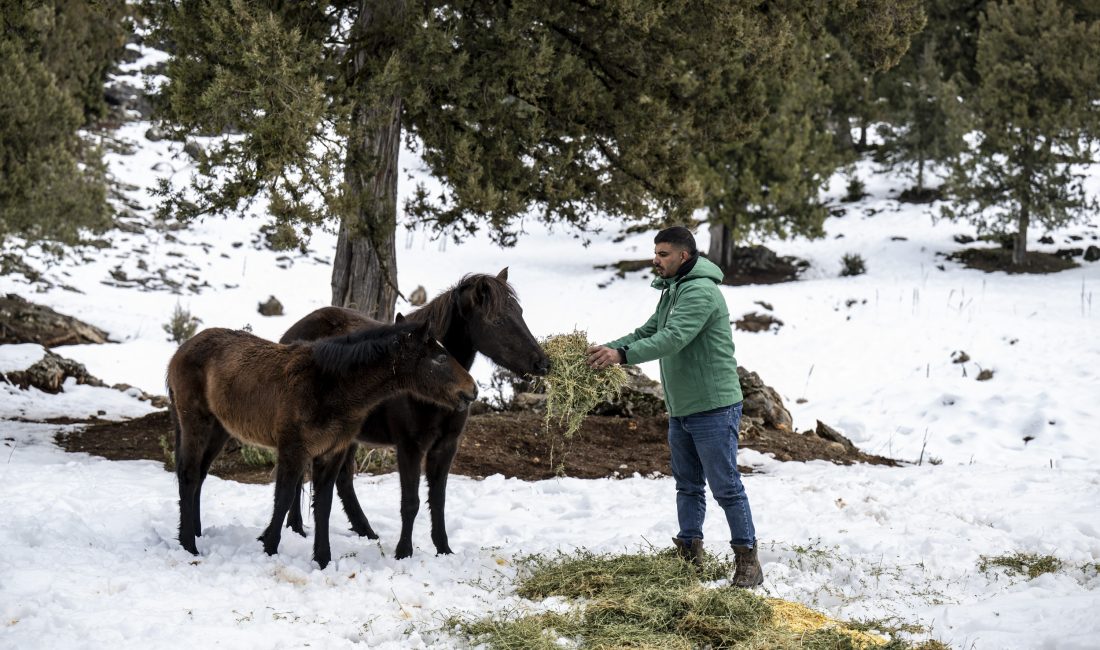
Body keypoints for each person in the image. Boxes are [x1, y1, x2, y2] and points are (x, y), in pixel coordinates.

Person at [587, 226, 763, 587]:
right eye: (655, 253)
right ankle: (689, 555)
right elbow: (647, 332)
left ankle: (748, 560)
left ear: (683, 256)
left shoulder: (700, 291)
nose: (656, 260)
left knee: (726, 486)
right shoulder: (674, 290)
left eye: (663, 254)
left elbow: (672, 338)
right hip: (682, 406)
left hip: (713, 405)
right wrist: (609, 349)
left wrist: (621, 356)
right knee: (688, 485)